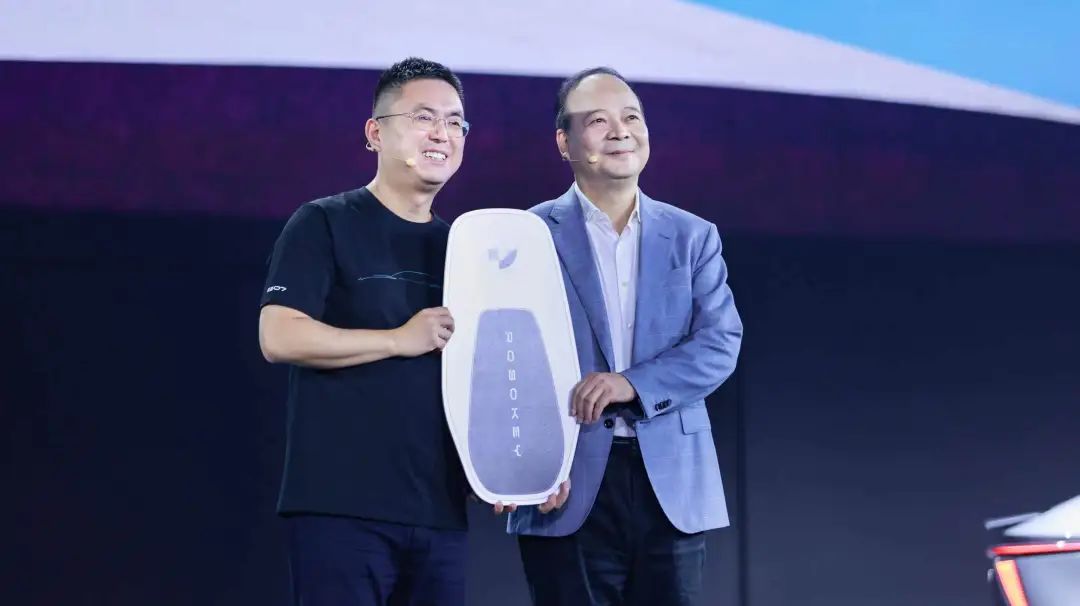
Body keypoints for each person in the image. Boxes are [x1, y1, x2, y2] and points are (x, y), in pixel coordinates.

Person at [505, 67, 744, 606]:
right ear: (564, 142)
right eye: (598, 121)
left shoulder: (692, 235)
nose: (620, 131)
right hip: (565, 481)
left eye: (631, 117)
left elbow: (719, 342)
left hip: (672, 483)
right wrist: (522, 467)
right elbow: (505, 356)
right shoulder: (527, 234)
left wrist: (630, 384)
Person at [258, 57, 471, 606]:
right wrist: (398, 339)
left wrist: (511, 470)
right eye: (424, 117)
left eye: (454, 122)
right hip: (341, 509)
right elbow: (280, 336)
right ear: (375, 132)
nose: (442, 133)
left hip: (441, 512)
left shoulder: (465, 248)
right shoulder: (324, 222)